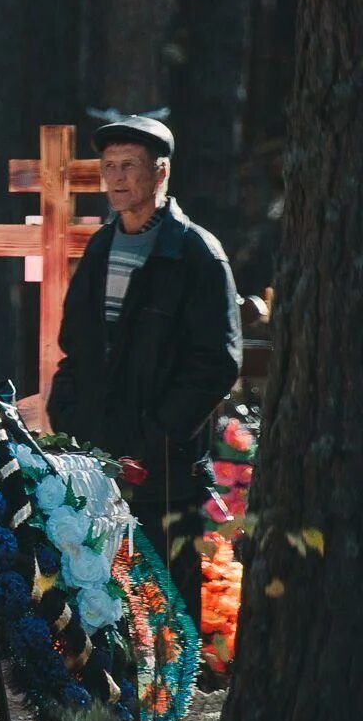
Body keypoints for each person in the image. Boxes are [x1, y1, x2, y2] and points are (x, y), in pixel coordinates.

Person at [47, 115, 240, 626]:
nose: (116, 178)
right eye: (108, 167)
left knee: (166, 602)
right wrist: (66, 413)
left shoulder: (196, 253)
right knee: (98, 588)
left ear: (161, 173)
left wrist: (158, 434)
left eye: (129, 166)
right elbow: (76, 348)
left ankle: (166, 705)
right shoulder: (100, 247)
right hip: (95, 458)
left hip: (166, 468)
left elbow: (217, 362)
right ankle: (109, 700)